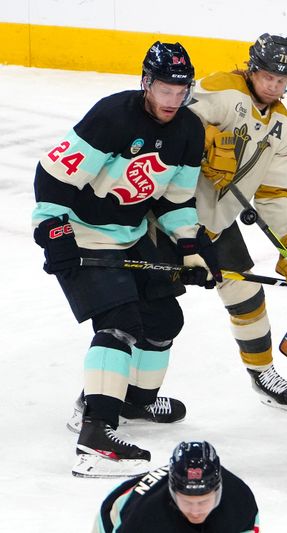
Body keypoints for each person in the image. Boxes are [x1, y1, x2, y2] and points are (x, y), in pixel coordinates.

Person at [32, 41, 220, 477]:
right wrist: (53, 231)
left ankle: (131, 401)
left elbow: (175, 200)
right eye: (163, 89)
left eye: (180, 90)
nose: (172, 100)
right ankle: (96, 434)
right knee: (119, 326)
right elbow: (53, 176)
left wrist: (190, 247)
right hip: (82, 234)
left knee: (162, 323)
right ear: (146, 83)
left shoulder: (189, 131)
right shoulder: (112, 116)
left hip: (131, 235)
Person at [184, 32, 287, 412]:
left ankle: (262, 372)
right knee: (144, 310)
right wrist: (202, 139)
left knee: (247, 298)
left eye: (282, 79)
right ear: (253, 69)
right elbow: (168, 124)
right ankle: (113, 396)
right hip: (171, 215)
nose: (274, 85)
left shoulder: (284, 127)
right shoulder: (220, 90)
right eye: (269, 76)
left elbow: (273, 193)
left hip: (217, 222)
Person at [93, 441, 260, 532]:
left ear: (218, 492)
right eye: (187, 502)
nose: (195, 511)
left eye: (203, 502)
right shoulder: (144, 517)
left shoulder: (240, 502)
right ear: (173, 494)